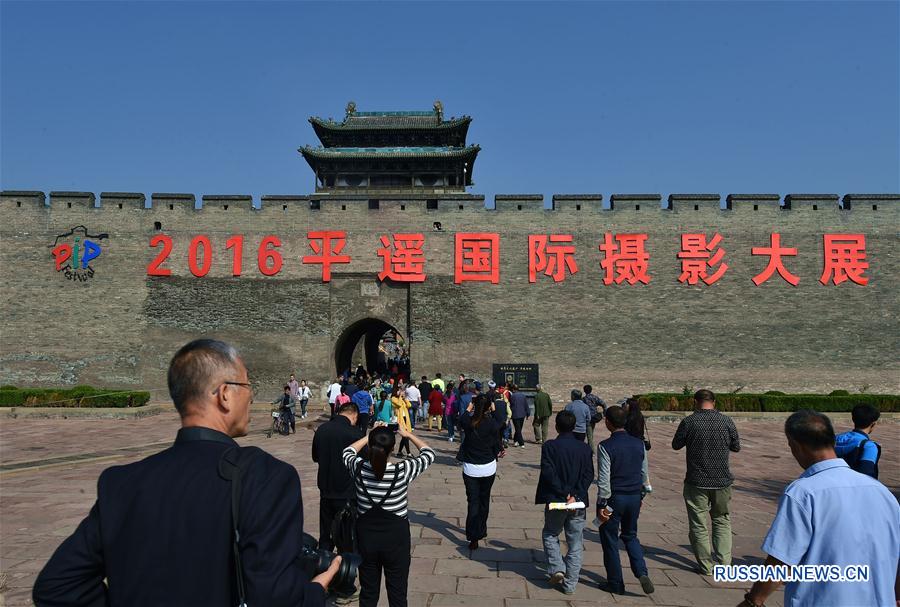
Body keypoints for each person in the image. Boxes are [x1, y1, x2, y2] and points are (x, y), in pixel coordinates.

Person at [32, 339, 339, 606]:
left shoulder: (122, 484)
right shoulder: (266, 477)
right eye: (248, 385)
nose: (251, 395)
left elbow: (57, 585)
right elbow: (273, 598)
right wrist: (313, 592)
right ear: (224, 394)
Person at [738, 410, 899, 607]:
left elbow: (782, 561)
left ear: (796, 446)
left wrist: (754, 600)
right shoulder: (882, 492)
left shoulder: (803, 492)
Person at [343, 425, 435, 607]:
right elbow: (429, 454)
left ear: (370, 446)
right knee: (398, 593)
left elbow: (348, 451)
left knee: (368, 593)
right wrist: (407, 434)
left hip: (367, 538)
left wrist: (369, 436)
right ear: (393, 448)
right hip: (396, 539)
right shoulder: (402, 471)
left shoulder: (359, 468)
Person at [671, 389, 740, 575]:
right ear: (714, 402)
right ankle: (725, 563)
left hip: (696, 480)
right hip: (722, 480)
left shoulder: (689, 422)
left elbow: (676, 444)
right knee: (722, 520)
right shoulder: (726, 421)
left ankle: (706, 566)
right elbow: (736, 447)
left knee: (698, 524)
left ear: (695, 402)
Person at [595, 406, 655, 596]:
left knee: (609, 538)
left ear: (608, 423)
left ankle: (615, 582)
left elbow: (604, 480)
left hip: (614, 500)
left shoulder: (605, 446)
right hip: (634, 497)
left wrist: (601, 504)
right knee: (630, 535)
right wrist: (643, 493)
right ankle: (641, 572)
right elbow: (644, 473)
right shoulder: (639, 444)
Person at [535, 411, 594, 596]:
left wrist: (563, 492)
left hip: (557, 500)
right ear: (575, 426)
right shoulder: (584, 449)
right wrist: (575, 494)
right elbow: (588, 475)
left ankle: (557, 567)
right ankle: (570, 585)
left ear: (557, 426)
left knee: (551, 533)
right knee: (575, 542)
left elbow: (548, 472)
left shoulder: (550, 446)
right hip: (577, 502)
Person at [311, 401, 363, 552]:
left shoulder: (322, 429)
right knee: (346, 535)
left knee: (325, 534)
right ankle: (344, 568)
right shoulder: (355, 433)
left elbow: (315, 457)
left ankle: (324, 564)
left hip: (326, 488)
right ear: (354, 415)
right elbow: (365, 461)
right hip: (347, 491)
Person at [458, 394, 502, 550]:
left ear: (474, 406)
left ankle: (473, 537)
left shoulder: (468, 422)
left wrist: (469, 408)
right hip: (488, 467)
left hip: (470, 469)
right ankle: (481, 530)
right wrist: (494, 409)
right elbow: (500, 423)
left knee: (473, 502)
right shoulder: (492, 424)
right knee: (484, 500)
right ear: (489, 407)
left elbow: (461, 419)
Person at [834, 403, 882, 478]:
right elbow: (866, 474)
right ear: (873, 424)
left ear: (853, 419)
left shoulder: (835, 439)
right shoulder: (868, 446)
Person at [582, 385, 606, 453]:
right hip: (594, 418)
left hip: (587, 419)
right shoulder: (595, 397)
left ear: (584, 390)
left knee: (589, 435)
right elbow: (603, 404)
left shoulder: (583, 399)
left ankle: (591, 451)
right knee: (590, 433)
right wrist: (604, 413)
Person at [391, 385, 413, 457]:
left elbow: (409, 405)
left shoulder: (402, 399)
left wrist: (405, 398)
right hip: (400, 419)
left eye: (401, 391)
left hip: (405, 419)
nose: (401, 392)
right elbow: (399, 404)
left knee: (404, 437)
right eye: (399, 390)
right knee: (405, 436)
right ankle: (409, 453)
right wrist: (400, 397)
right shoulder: (393, 398)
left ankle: (399, 452)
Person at [488, 380, 510, 452]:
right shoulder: (504, 403)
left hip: (496, 422)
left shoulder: (494, 404)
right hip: (503, 422)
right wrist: (507, 419)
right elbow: (508, 412)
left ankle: (499, 449)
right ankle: (501, 448)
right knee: (500, 436)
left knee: (495, 437)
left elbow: (492, 413)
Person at [508, 384, 529, 448]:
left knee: (518, 429)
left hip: (515, 415)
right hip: (522, 414)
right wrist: (528, 413)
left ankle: (521, 443)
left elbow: (511, 405)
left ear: (514, 389)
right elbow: (526, 405)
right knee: (519, 429)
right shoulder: (523, 395)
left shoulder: (512, 396)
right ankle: (516, 441)